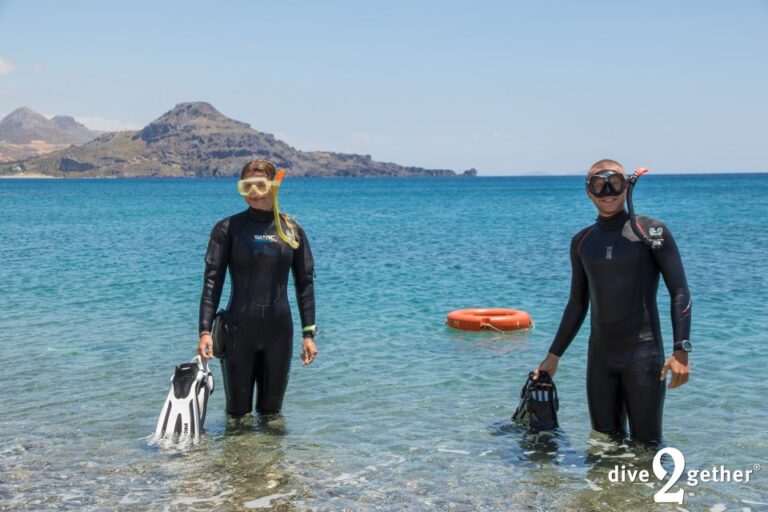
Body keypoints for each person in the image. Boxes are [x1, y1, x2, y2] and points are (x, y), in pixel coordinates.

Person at [534, 159, 692, 444]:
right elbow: (576, 305)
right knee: (603, 445)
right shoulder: (582, 241)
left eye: (615, 182)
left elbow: (679, 291)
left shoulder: (651, 232)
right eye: (598, 184)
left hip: (643, 357)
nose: (607, 191)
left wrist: (681, 349)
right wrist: (553, 355)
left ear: (627, 185)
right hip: (600, 360)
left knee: (647, 447)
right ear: (588, 192)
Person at [197, 159, 318, 416]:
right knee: (237, 414)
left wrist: (309, 335)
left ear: (274, 186)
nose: (253, 193)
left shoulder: (291, 231)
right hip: (237, 332)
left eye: (260, 185)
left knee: (272, 415)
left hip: (279, 333)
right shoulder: (227, 229)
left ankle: (272, 458)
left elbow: (305, 284)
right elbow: (212, 281)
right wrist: (205, 331)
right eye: (246, 186)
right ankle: (235, 457)